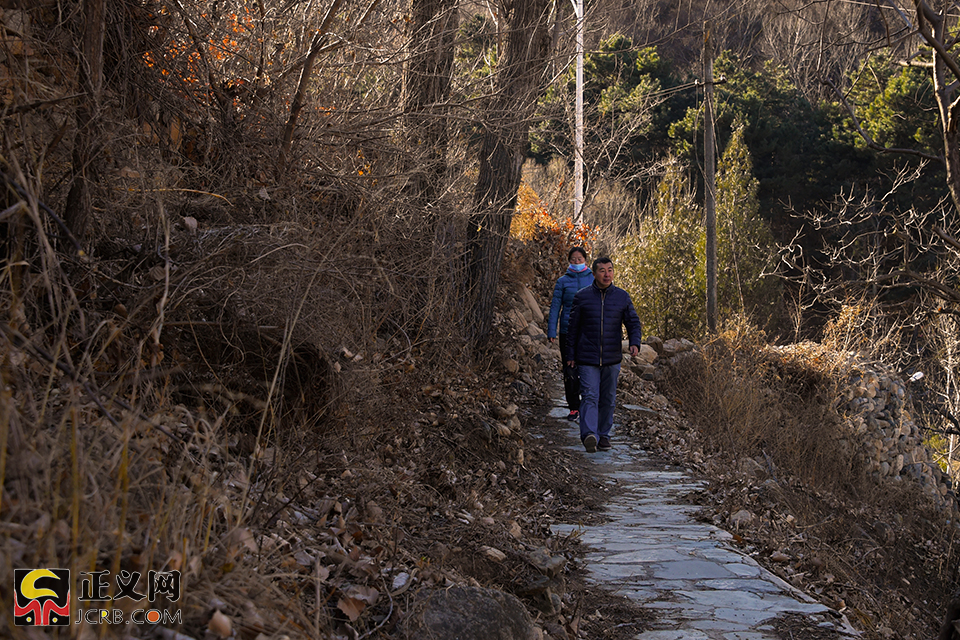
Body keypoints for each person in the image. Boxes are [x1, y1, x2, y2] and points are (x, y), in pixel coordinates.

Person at [565, 257, 642, 453]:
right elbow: (572, 328)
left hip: (612, 357)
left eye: (610, 270)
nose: (606, 274)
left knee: (608, 398)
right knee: (590, 395)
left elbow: (632, 322)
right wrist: (570, 354)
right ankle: (590, 434)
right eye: (602, 270)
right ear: (594, 274)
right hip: (587, 357)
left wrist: (634, 342)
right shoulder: (582, 297)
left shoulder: (622, 297)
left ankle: (604, 435)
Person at [547, 247, 594, 421]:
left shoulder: (593, 278)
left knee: (588, 368)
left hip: (589, 332)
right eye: (573, 259)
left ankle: (588, 404)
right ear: (569, 262)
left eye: (579, 259)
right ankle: (574, 407)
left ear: (585, 261)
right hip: (567, 332)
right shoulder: (562, 282)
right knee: (569, 370)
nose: (576, 262)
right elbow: (555, 307)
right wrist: (552, 330)